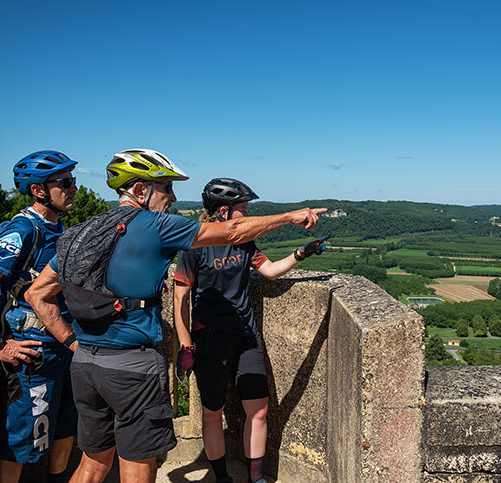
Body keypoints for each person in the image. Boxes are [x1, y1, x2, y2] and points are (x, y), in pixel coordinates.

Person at [24, 149, 325, 483]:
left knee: (93, 465)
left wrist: (72, 343)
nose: (173, 196)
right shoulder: (154, 226)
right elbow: (233, 232)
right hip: (132, 368)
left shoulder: (81, 232)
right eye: (166, 187)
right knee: (138, 468)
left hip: (86, 365)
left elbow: (36, 293)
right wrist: (289, 217)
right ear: (140, 191)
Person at [173, 178, 328, 483]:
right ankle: (221, 477)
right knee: (212, 412)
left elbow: (268, 271)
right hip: (209, 337)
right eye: (243, 210)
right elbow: (180, 298)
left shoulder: (245, 242)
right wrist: (186, 346)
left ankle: (255, 478)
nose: (248, 216)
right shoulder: (194, 247)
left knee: (258, 409)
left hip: (246, 334)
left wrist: (302, 253)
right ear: (222, 213)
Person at [0, 150, 79, 483]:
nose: (73, 189)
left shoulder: (57, 225)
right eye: (65, 183)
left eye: (74, 181)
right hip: (35, 351)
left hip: (63, 345)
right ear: (38, 191)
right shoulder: (23, 231)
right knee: (23, 438)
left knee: (65, 425)